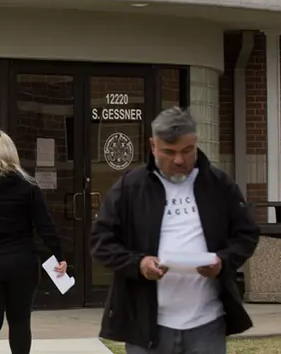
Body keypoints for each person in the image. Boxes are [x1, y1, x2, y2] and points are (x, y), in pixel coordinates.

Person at [91, 107, 261, 353]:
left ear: (196, 143)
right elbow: (101, 242)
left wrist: (222, 262)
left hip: (207, 323)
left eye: (187, 150)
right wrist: (138, 264)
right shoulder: (130, 187)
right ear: (153, 146)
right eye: (168, 152)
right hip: (148, 325)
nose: (179, 160)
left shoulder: (219, 185)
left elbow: (246, 234)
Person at [0, 129, 68, 354]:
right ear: (12, 153)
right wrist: (59, 256)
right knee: (19, 320)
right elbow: (45, 226)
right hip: (21, 262)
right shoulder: (29, 186)